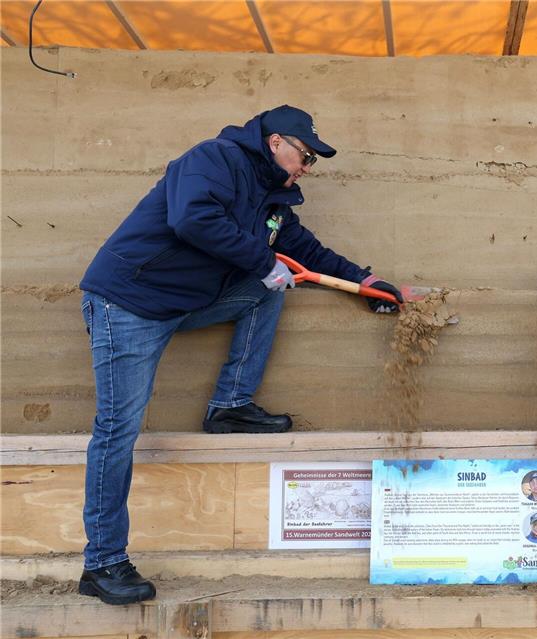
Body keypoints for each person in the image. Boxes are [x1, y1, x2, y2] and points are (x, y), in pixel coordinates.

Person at [76, 105, 403, 605]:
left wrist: (368, 284)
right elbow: (193, 219)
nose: (307, 167)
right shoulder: (214, 159)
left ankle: (229, 406)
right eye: (305, 155)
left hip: (180, 305)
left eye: (313, 161)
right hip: (128, 304)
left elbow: (309, 254)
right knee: (118, 430)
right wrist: (262, 259)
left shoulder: (271, 203)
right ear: (276, 142)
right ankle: (102, 564)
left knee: (269, 287)